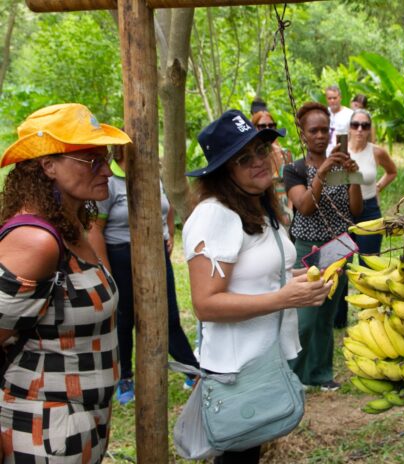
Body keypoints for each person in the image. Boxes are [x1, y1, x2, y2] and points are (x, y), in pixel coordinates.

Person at [183, 109, 331, 464]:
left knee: (247, 452)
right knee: (237, 455)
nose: (258, 163)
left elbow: (260, 276)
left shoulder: (258, 207)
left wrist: (301, 283)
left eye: (261, 151)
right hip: (237, 367)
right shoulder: (215, 215)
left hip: (261, 358)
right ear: (223, 171)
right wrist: (282, 298)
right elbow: (206, 304)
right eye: (243, 159)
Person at [0, 103, 131, 462]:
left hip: (81, 428)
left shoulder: (75, 227)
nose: (107, 169)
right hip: (38, 433)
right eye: (91, 160)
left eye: (105, 158)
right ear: (48, 165)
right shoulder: (36, 242)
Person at [87, 144, 199, 405]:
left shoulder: (153, 177)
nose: (147, 155)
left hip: (156, 255)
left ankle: (191, 371)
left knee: (169, 315)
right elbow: (95, 228)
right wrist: (107, 270)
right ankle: (124, 376)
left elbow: (167, 207)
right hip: (120, 256)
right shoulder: (110, 181)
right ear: (123, 153)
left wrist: (168, 234)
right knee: (125, 320)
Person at [283, 102, 363, 390]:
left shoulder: (341, 165)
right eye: (313, 131)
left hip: (339, 246)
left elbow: (354, 209)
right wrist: (321, 172)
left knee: (326, 315)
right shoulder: (294, 169)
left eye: (324, 130)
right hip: (309, 247)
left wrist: (352, 177)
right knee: (305, 317)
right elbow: (304, 207)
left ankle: (320, 374)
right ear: (303, 134)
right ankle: (294, 376)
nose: (319, 136)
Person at [333, 109, 397, 328]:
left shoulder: (376, 152)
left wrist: (378, 186)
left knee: (369, 263)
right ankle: (338, 318)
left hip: (369, 210)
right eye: (355, 125)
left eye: (365, 125)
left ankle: (369, 316)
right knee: (340, 263)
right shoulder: (340, 150)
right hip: (343, 210)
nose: (360, 129)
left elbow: (392, 171)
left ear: (370, 129)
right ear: (349, 127)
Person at [251, 110, 293, 226]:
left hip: (287, 207)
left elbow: (291, 184)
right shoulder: (254, 160)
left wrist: (289, 211)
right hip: (266, 209)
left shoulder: (285, 154)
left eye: (271, 125)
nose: (268, 129)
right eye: (262, 126)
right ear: (254, 128)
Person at [325, 85, 353, 154]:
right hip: (325, 154)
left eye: (335, 98)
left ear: (340, 98)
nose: (332, 101)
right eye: (329, 98)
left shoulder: (350, 114)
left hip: (343, 154)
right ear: (326, 99)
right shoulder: (323, 113)